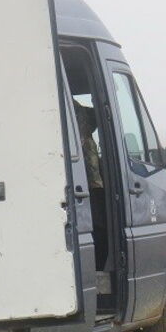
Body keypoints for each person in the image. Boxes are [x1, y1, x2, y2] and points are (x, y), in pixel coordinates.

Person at [75, 101, 108, 267]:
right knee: (99, 228)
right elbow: (99, 115)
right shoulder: (76, 110)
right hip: (90, 183)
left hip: (90, 181)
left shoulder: (72, 108)